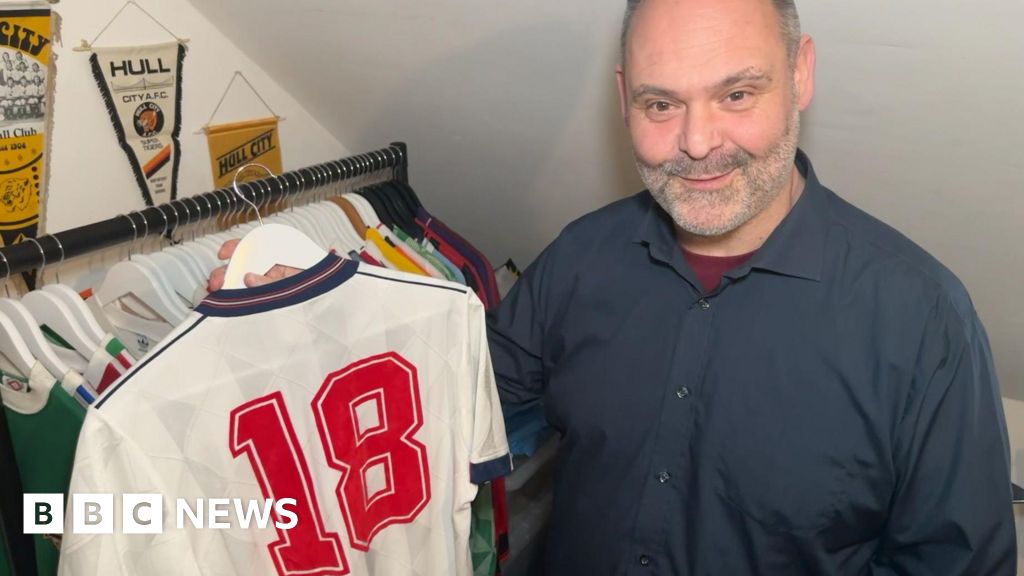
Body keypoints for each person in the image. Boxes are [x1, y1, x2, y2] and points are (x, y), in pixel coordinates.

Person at [208, 0, 1016, 573]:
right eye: (661, 104)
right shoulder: (582, 259)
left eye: (737, 94)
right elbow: (448, 403)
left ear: (800, 74)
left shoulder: (924, 322)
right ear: (624, 96)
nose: (697, 143)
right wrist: (320, 325)